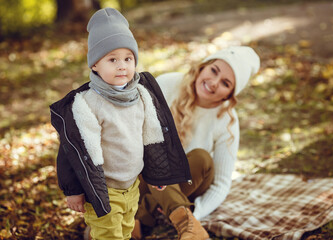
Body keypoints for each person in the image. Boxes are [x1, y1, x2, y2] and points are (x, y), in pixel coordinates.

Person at [49, 8, 191, 240]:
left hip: (131, 186)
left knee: (125, 232)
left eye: (128, 58)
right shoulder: (87, 104)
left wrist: (158, 175)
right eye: (112, 59)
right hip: (103, 190)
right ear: (95, 65)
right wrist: (73, 191)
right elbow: (70, 150)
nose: (122, 66)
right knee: (109, 236)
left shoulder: (141, 96)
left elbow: (151, 136)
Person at [132, 46, 260, 239]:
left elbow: (221, 184)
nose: (214, 83)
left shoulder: (227, 120)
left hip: (188, 183)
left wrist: (197, 213)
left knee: (201, 158)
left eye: (225, 83)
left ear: (229, 95)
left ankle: (184, 221)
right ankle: (140, 217)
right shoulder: (166, 84)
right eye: (214, 70)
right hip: (145, 175)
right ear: (202, 68)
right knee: (154, 152)